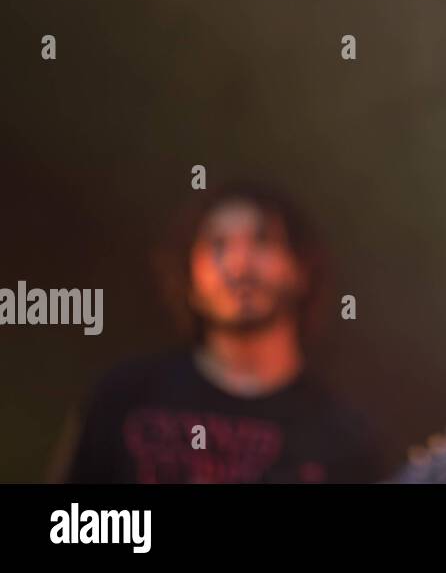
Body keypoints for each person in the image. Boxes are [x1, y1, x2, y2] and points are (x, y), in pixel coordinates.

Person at [53, 182, 383, 483]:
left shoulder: (344, 434)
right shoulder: (121, 399)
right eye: (217, 245)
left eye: (263, 240)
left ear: (301, 269)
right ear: (189, 279)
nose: (239, 264)